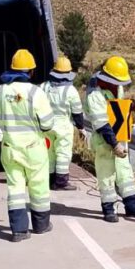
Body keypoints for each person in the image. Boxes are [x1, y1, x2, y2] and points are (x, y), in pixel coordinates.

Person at [0, 49, 55, 242]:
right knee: (39, 187)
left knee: (15, 188)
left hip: (10, 148)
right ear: (31, 71)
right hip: (34, 148)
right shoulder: (37, 93)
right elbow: (48, 124)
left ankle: (19, 230)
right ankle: (41, 225)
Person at [83, 56, 135, 223]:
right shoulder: (94, 95)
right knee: (106, 176)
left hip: (119, 139)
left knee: (125, 174)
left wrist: (129, 106)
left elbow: (117, 111)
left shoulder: (116, 88)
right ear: (107, 77)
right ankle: (109, 209)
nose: (119, 85)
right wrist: (114, 145)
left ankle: (132, 206)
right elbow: (102, 124)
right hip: (103, 141)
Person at [43, 56, 85, 191]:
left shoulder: (44, 86)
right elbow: (77, 112)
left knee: (49, 153)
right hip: (63, 126)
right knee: (63, 153)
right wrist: (81, 127)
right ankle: (61, 182)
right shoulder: (71, 91)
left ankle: (49, 180)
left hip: (46, 125)